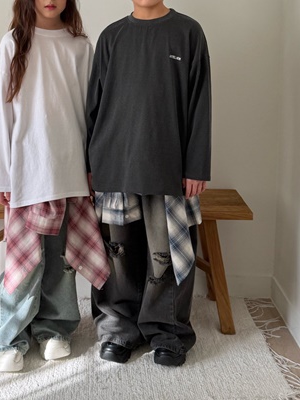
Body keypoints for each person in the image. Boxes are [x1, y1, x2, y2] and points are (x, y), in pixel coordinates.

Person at [0, 0, 109, 373]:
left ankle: (54, 329)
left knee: (61, 259)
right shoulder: (13, 43)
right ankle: (5, 337)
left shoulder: (80, 47)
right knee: (24, 261)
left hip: (70, 169)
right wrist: (0, 174)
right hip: (27, 170)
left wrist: (91, 167)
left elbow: (91, 112)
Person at [86, 0, 211, 367]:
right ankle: (118, 329)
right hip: (114, 162)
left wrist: (197, 165)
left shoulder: (188, 32)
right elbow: (94, 102)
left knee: (166, 252)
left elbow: (200, 101)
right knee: (118, 254)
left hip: (169, 165)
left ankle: (167, 331)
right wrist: (90, 164)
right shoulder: (111, 37)